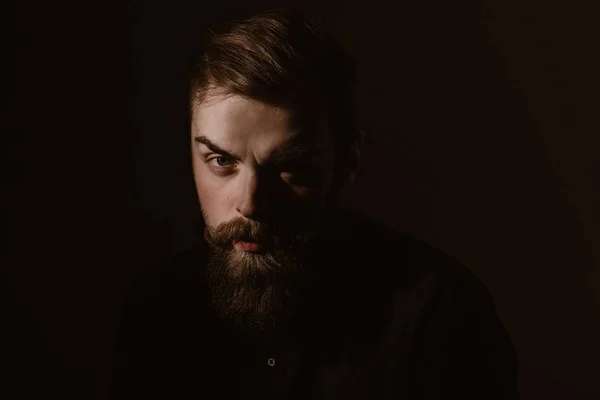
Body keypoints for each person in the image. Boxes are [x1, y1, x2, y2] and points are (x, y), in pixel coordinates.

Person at [109, 8, 520, 400]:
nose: (250, 204)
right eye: (221, 161)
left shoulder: (439, 315)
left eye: (289, 168)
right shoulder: (156, 311)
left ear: (347, 164)